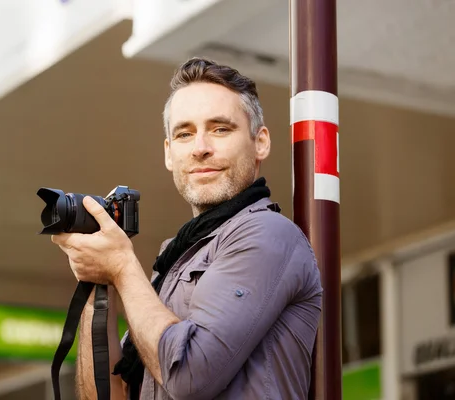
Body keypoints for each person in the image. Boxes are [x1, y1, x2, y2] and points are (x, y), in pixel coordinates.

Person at [51, 58, 322, 400]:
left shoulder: (267, 234)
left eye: (221, 129)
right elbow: (109, 395)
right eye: (184, 133)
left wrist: (121, 266)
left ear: (261, 142)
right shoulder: (174, 258)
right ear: (169, 153)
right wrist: (97, 284)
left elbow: (190, 376)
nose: (200, 148)